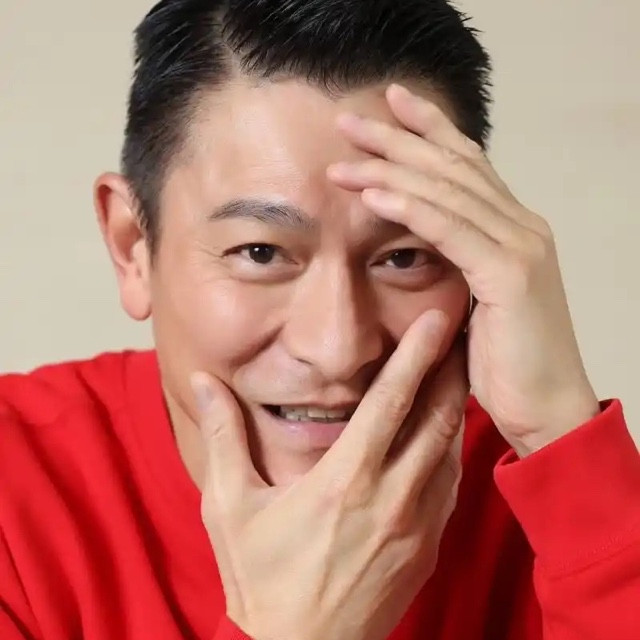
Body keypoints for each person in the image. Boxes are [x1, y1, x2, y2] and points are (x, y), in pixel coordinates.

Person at [1, 0, 638, 638]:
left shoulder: (540, 493)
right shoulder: (17, 490)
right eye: (260, 253)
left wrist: (562, 438)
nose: (338, 349)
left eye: (404, 257)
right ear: (133, 247)